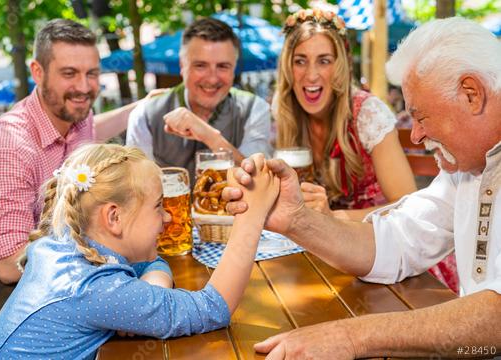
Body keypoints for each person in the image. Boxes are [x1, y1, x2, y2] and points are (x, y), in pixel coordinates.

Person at [224, 17, 501, 358]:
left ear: (471, 94)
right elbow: (395, 242)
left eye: (420, 116)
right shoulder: (467, 169)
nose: (415, 135)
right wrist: (295, 220)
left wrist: (352, 336)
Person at [0, 144, 278, 359]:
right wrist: (252, 215)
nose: (168, 217)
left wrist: (154, 280)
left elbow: (146, 263)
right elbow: (213, 309)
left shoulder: (60, 244)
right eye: (158, 206)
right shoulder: (99, 291)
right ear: (114, 218)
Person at [0, 19, 137, 339]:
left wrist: (144, 105)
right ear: (38, 72)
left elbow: (97, 129)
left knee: (132, 318)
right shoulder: (6, 148)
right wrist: (98, 255)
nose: (84, 87)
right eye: (69, 73)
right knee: (56, 342)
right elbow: (8, 265)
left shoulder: (75, 114)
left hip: (65, 260)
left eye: (92, 74)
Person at [273, 8, 416, 221]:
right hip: (319, 243)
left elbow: (408, 208)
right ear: (288, 67)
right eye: (300, 61)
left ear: (341, 66)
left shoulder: (367, 113)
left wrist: (332, 217)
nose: (311, 75)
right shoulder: (284, 108)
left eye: (324, 61)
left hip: (375, 241)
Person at [126, 17, 272, 182]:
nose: (212, 79)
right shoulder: (145, 115)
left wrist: (210, 136)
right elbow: (137, 190)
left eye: (223, 66)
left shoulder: (255, 108)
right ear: (182, 66)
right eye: (200, 66)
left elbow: (257, 181)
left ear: (234, 68)